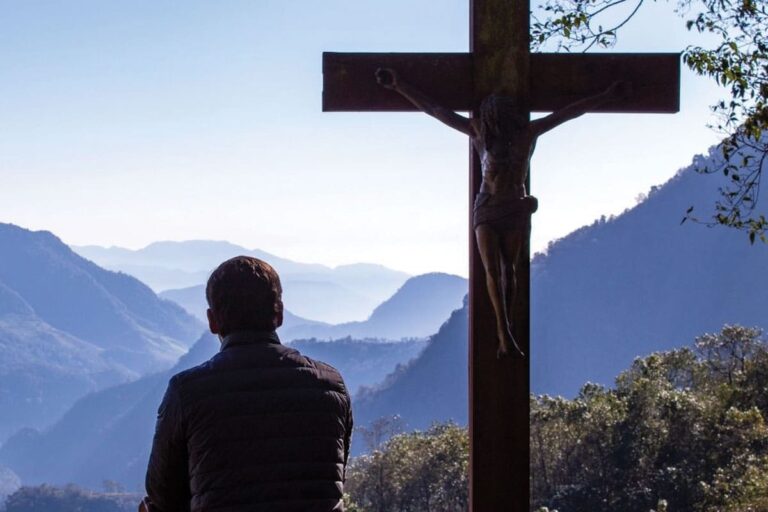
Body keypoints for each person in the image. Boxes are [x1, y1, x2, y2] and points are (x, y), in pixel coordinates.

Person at [376, 67, 629, 358]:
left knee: (510, 270)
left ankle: (507, 327)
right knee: (492, 271)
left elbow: (570, 112)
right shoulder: (479, 134)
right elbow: (436, 110)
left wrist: (606, 95)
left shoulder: (527, 134)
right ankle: (502, 332)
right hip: (486, 207)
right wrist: (400, 86)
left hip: (513, 207)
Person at [142, 256, 353, 512]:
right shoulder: (330, 386)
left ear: (212, 321)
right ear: (279, 313)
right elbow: (334, 476)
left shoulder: (188, 393)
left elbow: (163, 496)